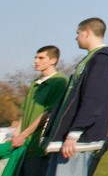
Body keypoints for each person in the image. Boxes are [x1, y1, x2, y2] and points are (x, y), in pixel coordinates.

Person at [41, 18, 108, 176]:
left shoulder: (103, 60)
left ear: (87, 33)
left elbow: (94, 100)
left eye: (78, 33)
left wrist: (74, 133)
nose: (76, 37)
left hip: (77, 141)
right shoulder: (90, 59)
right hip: (69, 138)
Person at [3, 46, 68, 176]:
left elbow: (47, 114)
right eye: (36, 57)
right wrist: (16, 135)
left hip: (38, 145)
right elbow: (25, 113)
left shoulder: (60, 82)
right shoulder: (34, 83)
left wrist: (24, 135)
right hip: (23, 143)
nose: (36, 61)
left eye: (41, 58)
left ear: (53, 60)